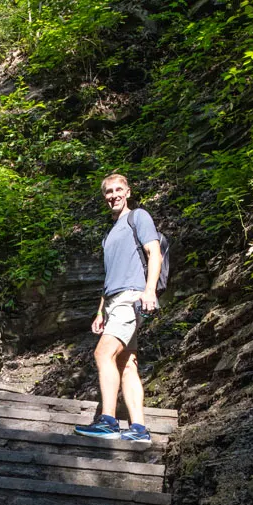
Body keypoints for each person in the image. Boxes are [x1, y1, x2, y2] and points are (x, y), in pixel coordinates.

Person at [75, 173, 162, 445]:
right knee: (127, 364)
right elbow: (109, 277)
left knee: (103, 352)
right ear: (104, 198)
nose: (113, 195)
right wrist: (101, 311)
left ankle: (109, 421)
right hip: (113, 301)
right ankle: (139, 429)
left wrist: (149, 291)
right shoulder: (109, 235)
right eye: (108, 192)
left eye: (118, 189)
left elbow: (154, 253)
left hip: (131, 296)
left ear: (127, 192)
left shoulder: (139, 217)